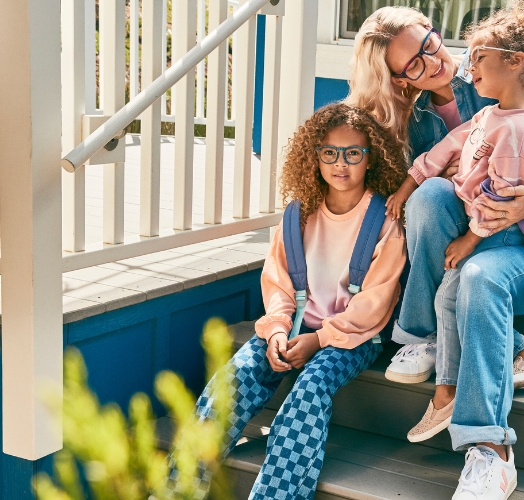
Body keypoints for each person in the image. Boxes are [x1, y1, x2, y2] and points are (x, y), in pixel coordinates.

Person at [346, 2, 524, 498]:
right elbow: (415, 192)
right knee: (433, 199)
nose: (436, 59)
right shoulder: (415, 120)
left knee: (476, 274)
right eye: (414, 62)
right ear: (398, 80)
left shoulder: (506, 72)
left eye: (430, 41)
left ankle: (491, 450)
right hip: (484, 246)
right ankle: (450, 340)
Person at [165, 103, 407, 500]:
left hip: (352, 337)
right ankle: (180, 487)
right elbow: (277, 283)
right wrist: (277, 329)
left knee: (310, 389)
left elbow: (375, 303)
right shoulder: (298, 215)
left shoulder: (383, 222)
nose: (340, 163)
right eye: (329, 152)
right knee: (234, 379)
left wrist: (319, 340)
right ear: (314, 156)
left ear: (371, 158)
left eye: (353, 153)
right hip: (294, 327)